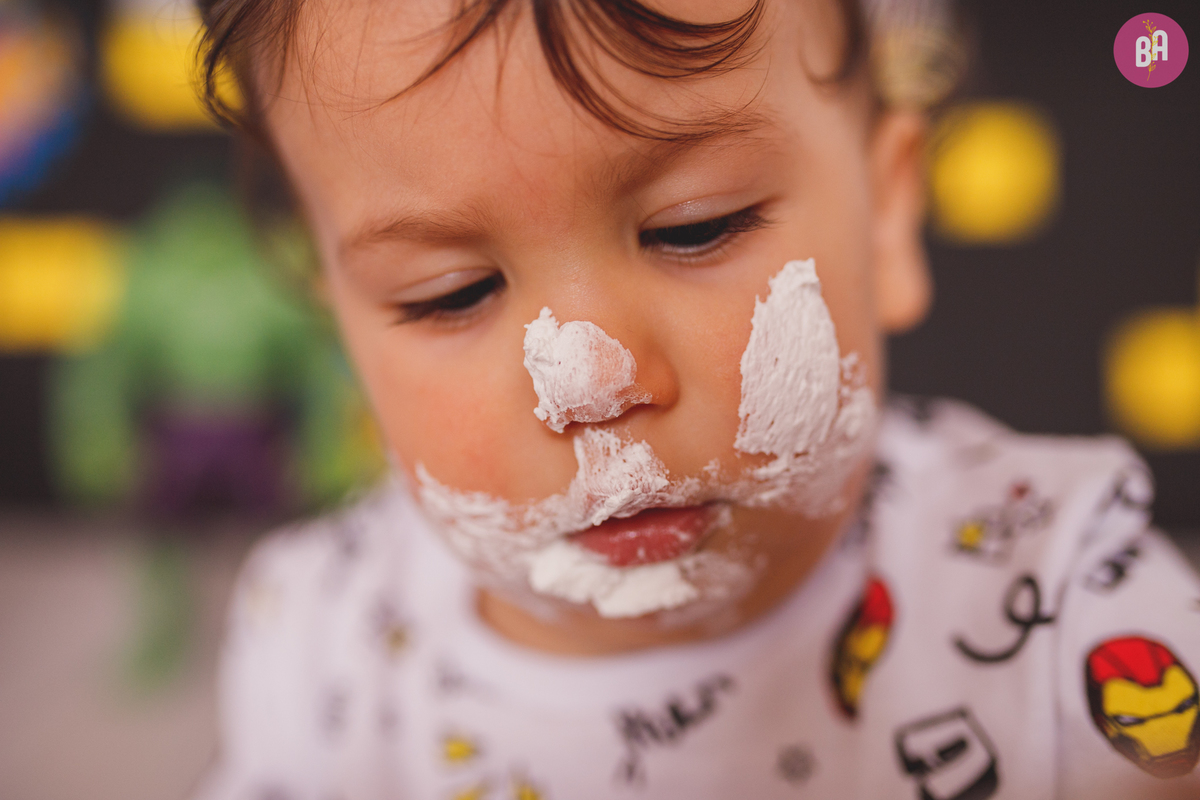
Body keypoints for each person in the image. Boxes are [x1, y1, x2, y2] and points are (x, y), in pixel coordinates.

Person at [191, 0, 1200, 798]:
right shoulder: (319, 638)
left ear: (886, 210)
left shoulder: (1066, 602)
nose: (588, 383)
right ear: (343, 321)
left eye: (694, 227)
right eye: (451, 293)